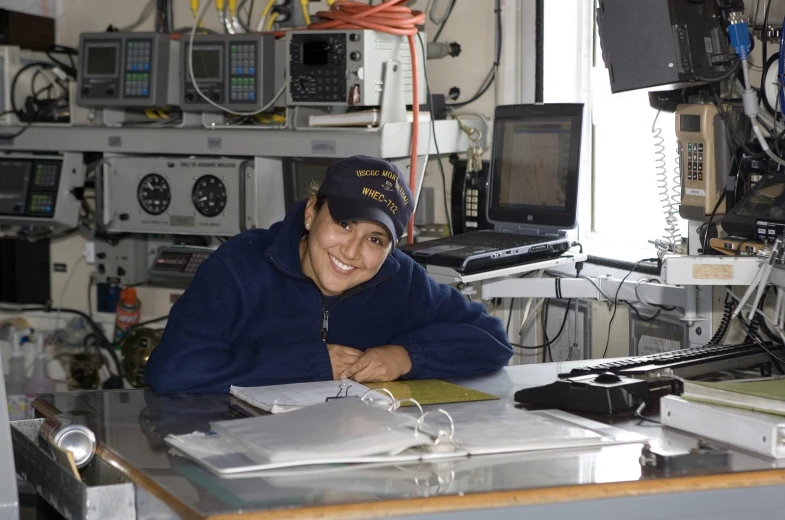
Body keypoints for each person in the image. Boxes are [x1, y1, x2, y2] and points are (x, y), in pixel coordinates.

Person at [145, 155, 513, 394]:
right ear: (310, 213)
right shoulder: (240, 265)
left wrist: (407, 357)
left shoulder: (400, 280)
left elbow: (491, 340)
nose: (352, 252)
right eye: (343, 224)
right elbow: (173, 369)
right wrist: (311, 364)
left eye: (374, 238)